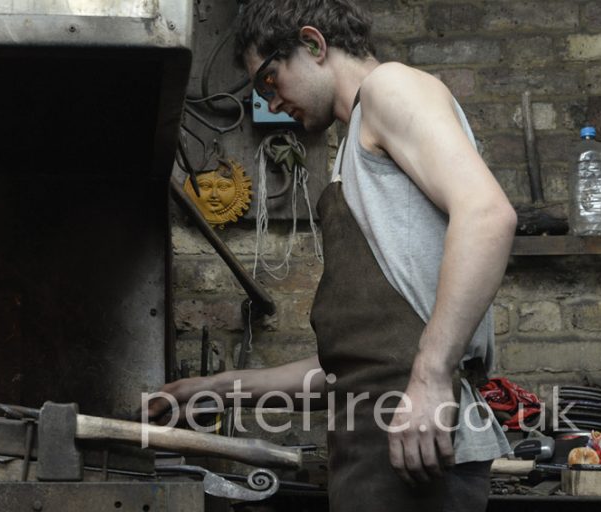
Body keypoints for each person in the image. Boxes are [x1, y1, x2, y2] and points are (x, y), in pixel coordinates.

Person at [147, 1, 517, 510]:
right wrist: (215, 386)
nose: (272, 102)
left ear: (314, 45)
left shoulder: (392, 89)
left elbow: (488, 214)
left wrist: (430, 378)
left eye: (270, 80)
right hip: (377, 442)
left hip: (417, 441)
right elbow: (357, 369)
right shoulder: (354, 150)